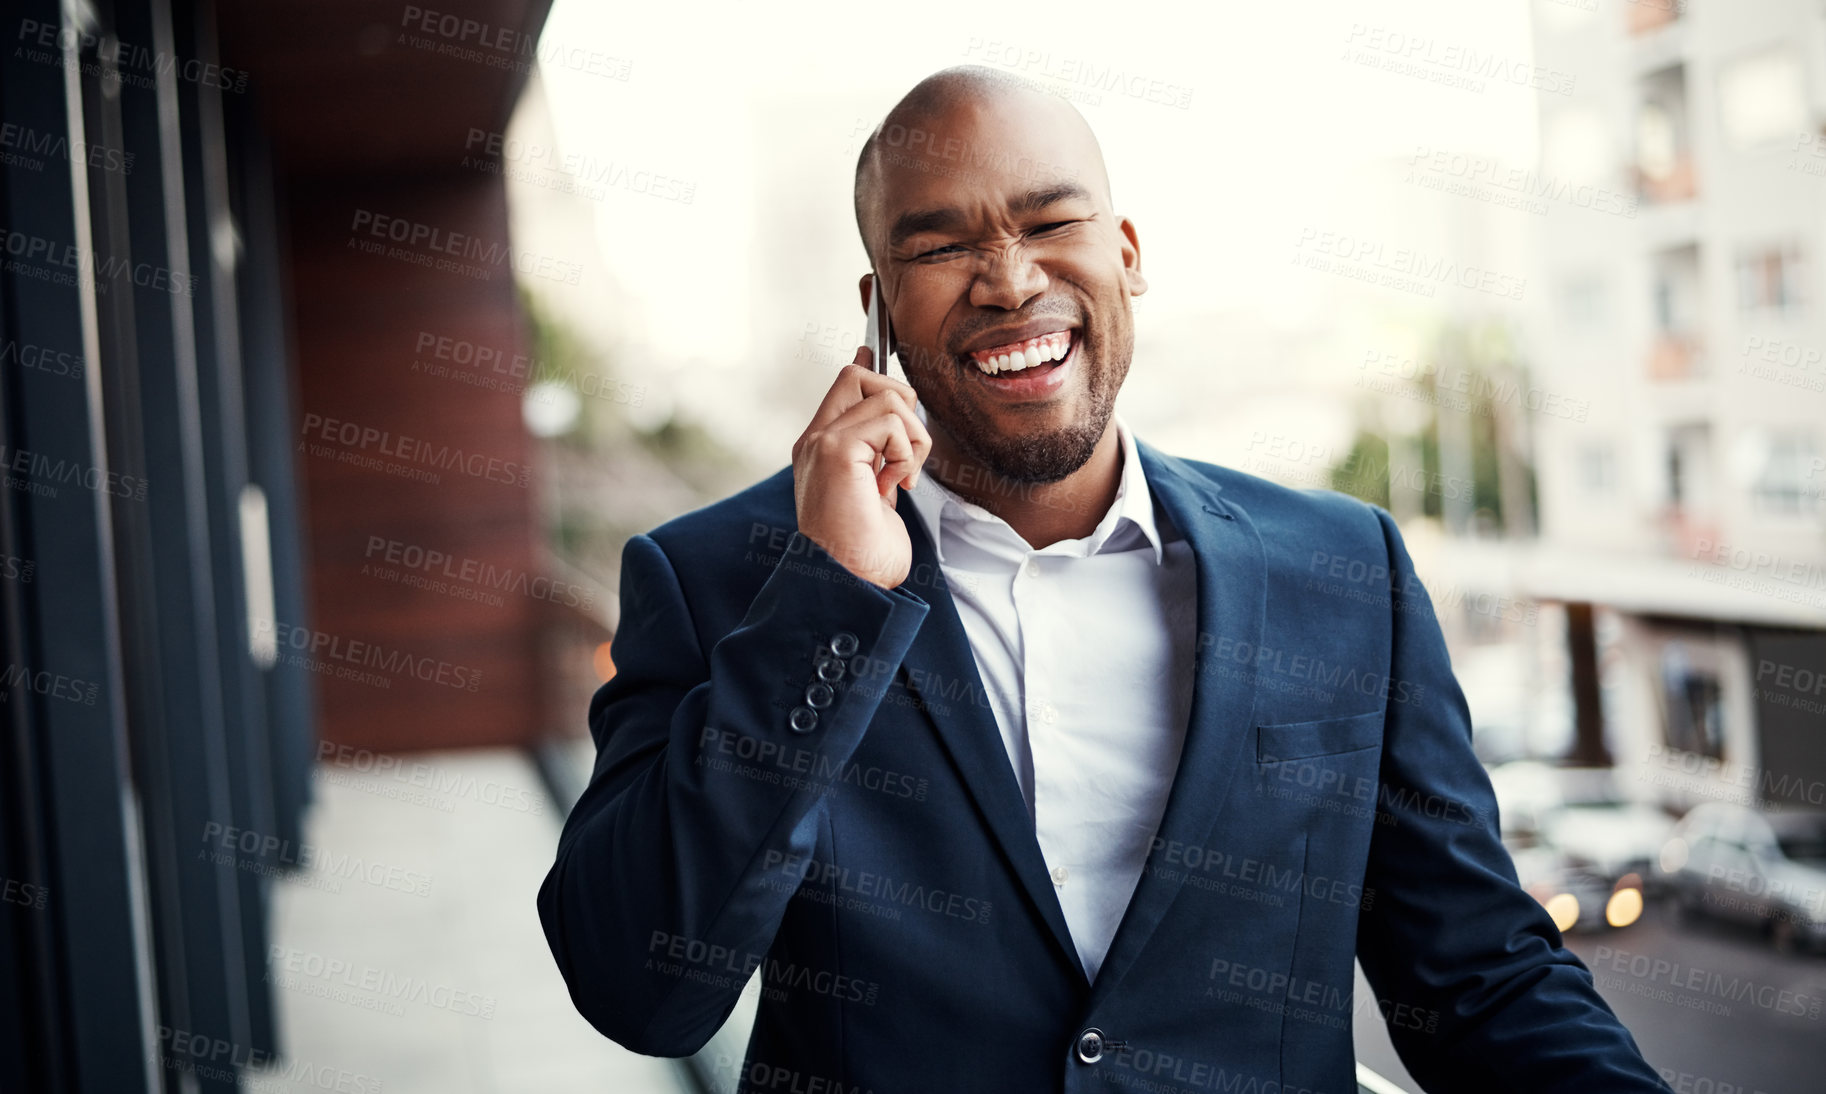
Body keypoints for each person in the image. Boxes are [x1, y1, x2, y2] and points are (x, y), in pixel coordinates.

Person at [537, 65, 1670, 1093]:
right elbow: (640, 990)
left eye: (1048, 220)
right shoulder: (715, 579)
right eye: (938, 248)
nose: (1007, 277)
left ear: (1124, 250)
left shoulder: (1342, 569)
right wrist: (828, 598)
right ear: (878, 311)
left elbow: (1477, 976)